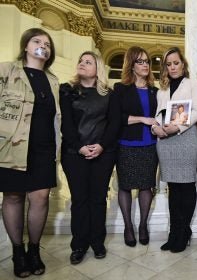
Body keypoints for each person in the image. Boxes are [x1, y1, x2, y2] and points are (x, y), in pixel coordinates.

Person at [0, 28, 61, 277]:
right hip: (11, 146)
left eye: (47, 44)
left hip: (44, 147)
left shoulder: (54, 80)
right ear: (26, 46)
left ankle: (34, 250)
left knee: (40, 198)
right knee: (13, 197)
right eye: (37, 41)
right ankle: (17, 251)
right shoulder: (6, 70)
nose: (43, 46)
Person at [60, 51, 117, 264]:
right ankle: (79, 245)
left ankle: (97, 242)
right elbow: (66, 124)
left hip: (103, 154)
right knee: (80, 200)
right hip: (74, 154)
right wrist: (80, 147)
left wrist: (101, 146)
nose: (82, 64)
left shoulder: (109, 94)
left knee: (98, 199)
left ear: (97, 68)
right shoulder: (67, 91)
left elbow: (113, 124)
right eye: (80, 61)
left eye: (88, 62)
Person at [152, 47, 197, 253]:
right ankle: (173, 233)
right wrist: (156, 127)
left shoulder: (193, 84)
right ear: (165, 67)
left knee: (186, 186)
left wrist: (178, 126)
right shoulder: (161, 89)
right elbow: (158, 114)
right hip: (165, 141)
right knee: (173, 188)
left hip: (186, 137)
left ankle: (184, 232)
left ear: (183, 64)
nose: (172, 67)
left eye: (176, 63)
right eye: (168, 64)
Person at [112, 46, 158, 247]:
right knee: (125, 186)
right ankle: (128, 226)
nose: (145, 65)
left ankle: (142, 226)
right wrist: (143, 119)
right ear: (131, 65)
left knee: (147, 185)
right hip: (126, 144)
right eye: (140, 61)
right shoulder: (120, 89)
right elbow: (117, 118)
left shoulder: (155, 91)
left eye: (147, 61)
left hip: (150, 144)